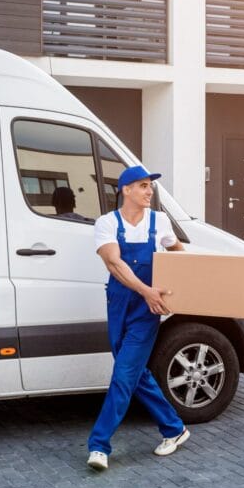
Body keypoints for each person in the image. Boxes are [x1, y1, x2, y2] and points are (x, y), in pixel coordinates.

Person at [86, 165, 190, 470]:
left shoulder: (160, 221)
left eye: (150, 187)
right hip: (120, 303)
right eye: (143, 186)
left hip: (148, 308)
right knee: (133, 372)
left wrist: (177, 293)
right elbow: (114, 264)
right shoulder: (106, 223)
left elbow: (181, 257)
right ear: (126, 190)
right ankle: (174, 428)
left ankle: (99, 445)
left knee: (122, 375)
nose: (149, 192)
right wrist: (145, 289)